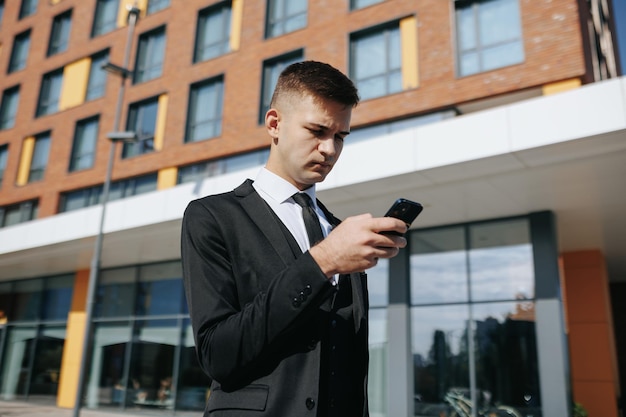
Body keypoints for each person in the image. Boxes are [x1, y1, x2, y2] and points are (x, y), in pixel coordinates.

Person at [181, 60, 408, 417]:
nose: (330, 149)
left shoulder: (336, 228)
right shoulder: (213, 216)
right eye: (317, 131)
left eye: (340, 136)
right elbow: (218, 356)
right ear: (275, 123)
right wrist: (323, 262)